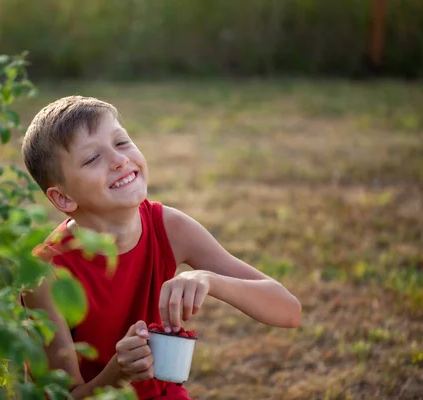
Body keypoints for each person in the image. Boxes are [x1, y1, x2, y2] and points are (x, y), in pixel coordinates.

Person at [20, 96, 302, 399]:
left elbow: (288, 311)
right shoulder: (45, 272)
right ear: (63, 198)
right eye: (92, 159)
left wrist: (208, 279)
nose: (119, 160)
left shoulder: (168, 227)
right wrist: (116, 375)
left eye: (122, 142)